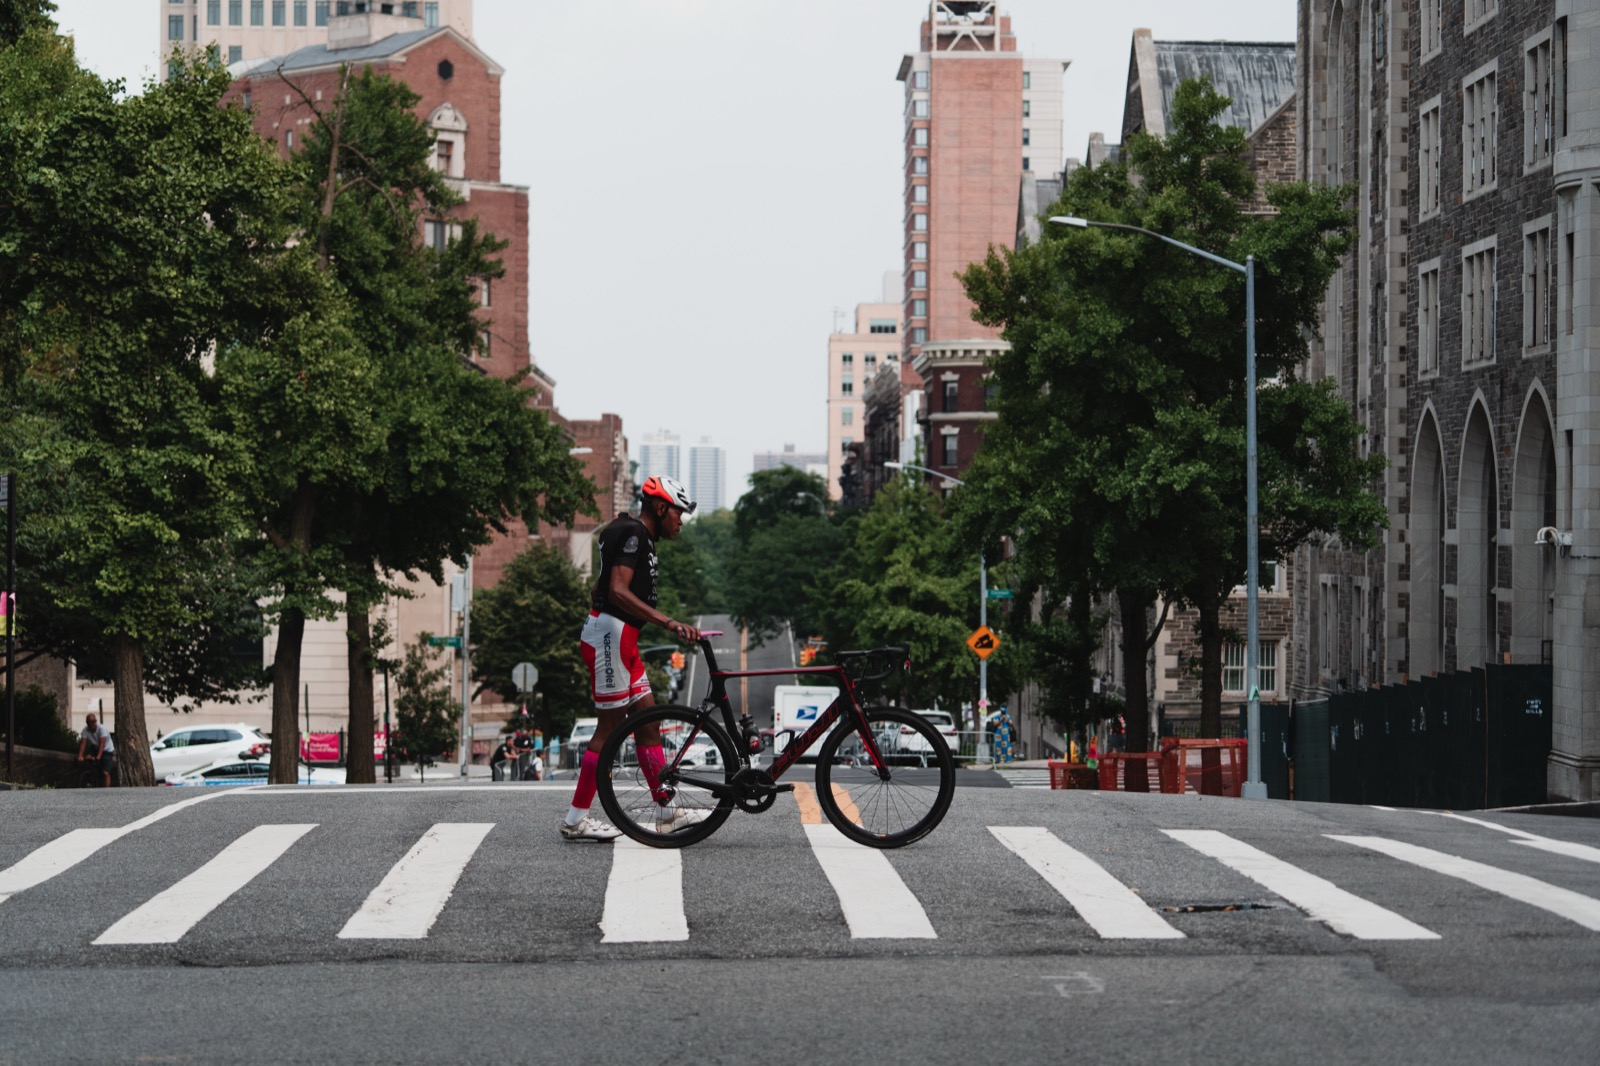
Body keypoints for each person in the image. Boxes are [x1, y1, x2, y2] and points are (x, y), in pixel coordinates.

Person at [562, 475, 703, 841]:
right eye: (678, 513)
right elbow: (616, 590)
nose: (680, 520)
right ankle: (575, 819)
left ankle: (667, 811)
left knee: (647, 722)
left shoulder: (631, 532)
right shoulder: (635, 533)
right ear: (660, 507)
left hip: (621, 638)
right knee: (608, 730)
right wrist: (669, 622)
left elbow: (600, 586)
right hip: (612, 636)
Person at [76, 712, 115, 787]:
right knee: (88, 759)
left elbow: (102, 744)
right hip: (96, 747)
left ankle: (107, 789)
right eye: (89, 722)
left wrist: (98, 757)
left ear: (96, 721)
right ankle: (92, 778)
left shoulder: (102, 729)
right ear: (87, 723)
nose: (91, 724)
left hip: (107, 750)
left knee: (105, 772)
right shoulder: (86, 730)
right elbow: (83, 743)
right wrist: (80, 755)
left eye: (93, 722)